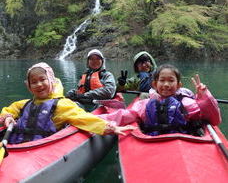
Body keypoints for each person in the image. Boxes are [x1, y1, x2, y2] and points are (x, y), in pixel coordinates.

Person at [0, 62, 135, 144]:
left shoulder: (62, 105)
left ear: (51, 81)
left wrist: (110, 128)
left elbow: (85, 119)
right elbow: (10, 109)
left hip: (42, 146)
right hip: (16, 143)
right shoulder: (24, 104)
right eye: (34, 82)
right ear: (29, 87)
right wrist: (8, 117)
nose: (39, 84)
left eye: (42, 80)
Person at [99, 64, 221, 136]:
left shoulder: (187, 103)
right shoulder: (144, 104)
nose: (166, 84)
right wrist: (96, 120)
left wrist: (204, 96)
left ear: (179, 85)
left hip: (183, 142)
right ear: (154, 84)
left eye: (171, 80)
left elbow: (214, 119)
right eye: (162, 80)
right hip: (153, 143)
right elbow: (123, 115)